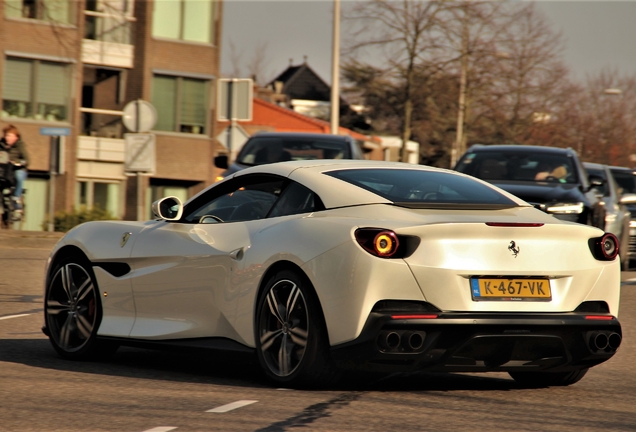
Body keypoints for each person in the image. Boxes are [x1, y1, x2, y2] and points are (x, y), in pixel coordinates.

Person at [0, 124, 29, 211]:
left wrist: (18, 163)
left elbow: (27, 160)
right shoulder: (1, 145)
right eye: (6, 135)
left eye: (9, 135)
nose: (7, 137)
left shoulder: (20, 146)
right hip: (4, 169)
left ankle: (16, 198)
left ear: (15, 137)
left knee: (18, 176)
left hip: (17, 169)